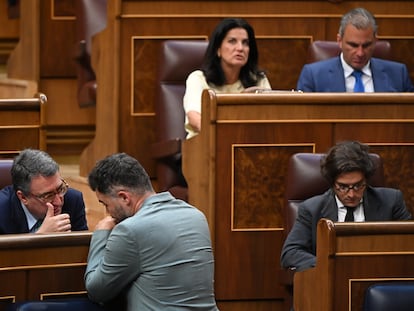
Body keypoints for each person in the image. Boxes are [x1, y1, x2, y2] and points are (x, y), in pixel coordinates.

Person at [84, 153, 219, 311]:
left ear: (124, 198)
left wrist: (101, 233)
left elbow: (97, 291)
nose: (108, 213)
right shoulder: (196, 216)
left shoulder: (129, 230)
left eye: (105, 204)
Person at [281, 141, 412, 272]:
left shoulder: (391, 201)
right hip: (331, 280)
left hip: (378, 277)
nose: (351, 194)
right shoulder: (311, 209)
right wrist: (334, 266)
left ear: (366, 180)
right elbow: (291, 253)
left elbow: (409, 244)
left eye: (358, 185)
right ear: (332, 183)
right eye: (343, 187)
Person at [183, 17, 271, 139]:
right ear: (218, 49)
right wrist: (228, 137)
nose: (240, 48)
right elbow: (194, 117)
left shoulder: (258, 80)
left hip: (246, 145)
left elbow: (270, 118)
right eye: (232, 41)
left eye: (245, 43)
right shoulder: (199, 79)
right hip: (204, 144)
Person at [296, 8, 414, 92]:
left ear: (375, 41)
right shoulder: (313, 76)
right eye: (353, 45)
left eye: (367, 45)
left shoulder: (398, 74)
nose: (360, 53)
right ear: (339, 41)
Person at [0, 149, 88, 234]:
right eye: (48, 196)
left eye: (60, 188)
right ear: (23, 197)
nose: (58, 202)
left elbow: (82, 247)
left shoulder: (74, 200)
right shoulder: (2, 212)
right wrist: (39, 237)